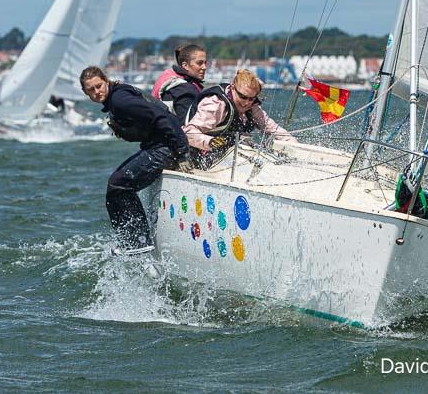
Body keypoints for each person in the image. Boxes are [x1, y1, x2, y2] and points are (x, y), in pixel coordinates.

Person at [80, 66, 193, 254]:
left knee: (118, 186)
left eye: (98, 86)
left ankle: (137, 243)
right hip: (157, 146)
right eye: (90, 90)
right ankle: (134, 242)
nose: (96, 92)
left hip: (165, 147)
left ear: (106, 81)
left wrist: (183, 152)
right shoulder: (116, 99)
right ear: (85, 93)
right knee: (116, 185)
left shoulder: (120, 101)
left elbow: (162, 116)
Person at [184, 69, 297, 167]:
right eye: (243, 97)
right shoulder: (216, 105)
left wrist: (295, 146)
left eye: (251, 98)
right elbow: (188, 132)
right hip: (197, 158)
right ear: (233, 88)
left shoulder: (252, 107)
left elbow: (273, 129)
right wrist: (211, 142)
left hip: (230, 157)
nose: (246, 103)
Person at [151, 43, 206, 124]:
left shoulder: (169, 77)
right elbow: (189, 125)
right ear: (185, 65)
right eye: (199, 63)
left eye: (205, 62)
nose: (204, 67)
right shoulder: (183, 89)